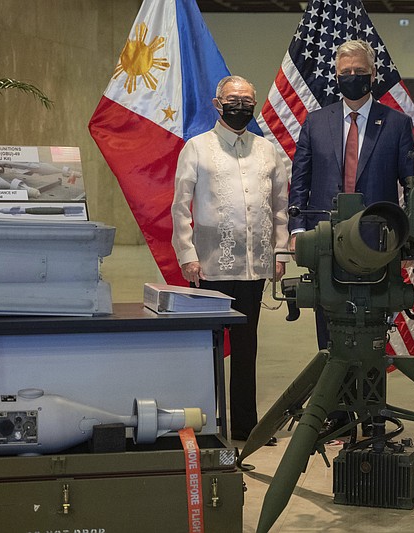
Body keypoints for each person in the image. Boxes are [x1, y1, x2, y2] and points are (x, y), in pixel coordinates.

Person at [171, 75, 289, 442]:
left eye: (247, 100)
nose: (240, 106)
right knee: (207, 348)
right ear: (217, 103)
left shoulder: (267, 151)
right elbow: (179, 207)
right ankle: (205, 423)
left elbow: (280, 208)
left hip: (254, 267)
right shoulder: (197, 148)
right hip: (210, 265)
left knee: (246, 347)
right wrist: (187, 254)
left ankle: (244, 425)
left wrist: (279, 252)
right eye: (233, 99)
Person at [288, 39, 414, 350]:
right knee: (328, 326)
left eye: (359, 70)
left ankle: (368, 396)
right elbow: (300, 180)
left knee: (370, 329)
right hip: (324, 240)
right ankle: (330, 395)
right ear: (336, 76)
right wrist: (297, 229)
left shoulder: (397, 124)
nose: (352, 75)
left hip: (377, 241)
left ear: (373, 75)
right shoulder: (316, 122)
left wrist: (410, 238)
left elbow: (412, 185)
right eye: (345, 71)